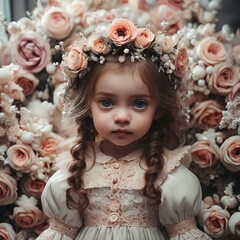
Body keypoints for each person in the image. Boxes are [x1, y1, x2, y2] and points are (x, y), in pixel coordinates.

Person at [36, 18, 212, 240]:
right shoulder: (76, 169)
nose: (121, 117)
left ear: (157, 109)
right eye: (106, 103)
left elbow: (183, 234)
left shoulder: (168, 172)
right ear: (89, 107)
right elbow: (60, 234)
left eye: (139, 103)